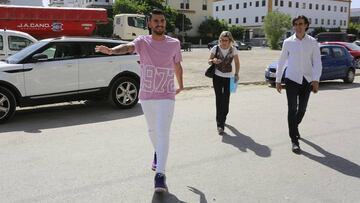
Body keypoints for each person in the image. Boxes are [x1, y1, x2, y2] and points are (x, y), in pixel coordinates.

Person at [95, 9, 184, 193]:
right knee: (152, 130)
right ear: (150, 24)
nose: (160, 23)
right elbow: (128, 47)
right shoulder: (143, 42)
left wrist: (181, 84)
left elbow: (177, 64)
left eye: (162, 20)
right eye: (156, 21)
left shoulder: (174, 43)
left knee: (162, 132)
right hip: (147, 95)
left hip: (166, 95)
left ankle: (160, 175)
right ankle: (158, 153)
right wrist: (112, 51)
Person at [275, 15, 322, 154]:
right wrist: (278, 80)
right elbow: (282, 61)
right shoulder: (288, 42)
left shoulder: (313, 42)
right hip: (291, 80)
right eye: (296, 24)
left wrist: (316, 80)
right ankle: (294, 140)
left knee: (302, 110)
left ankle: (294, 127)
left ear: (306, 25)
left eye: (301, 24)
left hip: (306, 80)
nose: (299, 26)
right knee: (292, 109)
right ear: (294, 26)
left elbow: (317, 62)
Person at [208, 31, 240, 134]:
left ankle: (223, 118)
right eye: (221, 40)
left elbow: (237, 63)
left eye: (225, 40)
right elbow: (209, 60)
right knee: (219, 99)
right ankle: (220, 124)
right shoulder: (215, 48)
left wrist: (236, 74)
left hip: (229, 78)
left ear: (230, 40)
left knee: (226, 100)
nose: (223, 42)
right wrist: (213, 61)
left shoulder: (233, 49)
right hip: (217, 77)